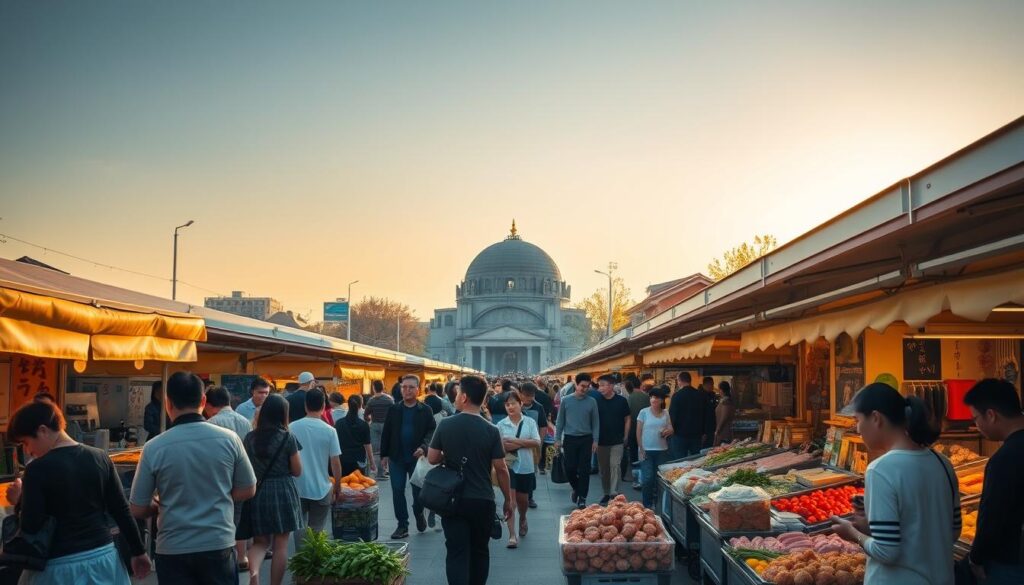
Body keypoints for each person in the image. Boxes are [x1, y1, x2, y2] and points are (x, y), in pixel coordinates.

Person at [130, 371, 256, 585]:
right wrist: (218, 494)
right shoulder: (229, 439)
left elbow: (137, 508)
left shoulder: (154, 447)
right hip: (218, 543)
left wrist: (158, 505)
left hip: (173, 547)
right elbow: (248, 488)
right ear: (203, 400)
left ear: (168, 404)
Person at [6, 401, 151, 585]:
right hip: (104, 558)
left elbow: (31, 526)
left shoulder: (37, 470)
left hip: (59, 567)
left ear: (43, 430)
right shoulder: (100, 458)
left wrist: (19, 501)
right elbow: (121, 510)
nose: (28, 451)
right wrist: (138, 551)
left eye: (26, 443)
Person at [830, 382, 960, 585]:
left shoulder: (880, 470)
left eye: (857, 420)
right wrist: (871, 528)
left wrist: (853, 533)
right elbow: (952, 532)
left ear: (875, 418)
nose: (857, 428)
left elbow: (886, 551)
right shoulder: (943, 463)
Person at [428, 375, 513, 585]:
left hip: (453, 499)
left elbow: (432, 458)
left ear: (464, 397)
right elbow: (501, 468)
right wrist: (508, 499)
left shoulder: (446, 425)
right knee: (480, 551)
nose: (456, 397)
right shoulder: (492, 430)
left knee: (456, 552)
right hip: (482, 499)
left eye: (457, 393)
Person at [962, 379, 1024, 584]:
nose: (976, 425)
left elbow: (992, 515)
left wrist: (976, 557)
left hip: (1011, 562)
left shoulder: (1005, 459)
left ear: (991, 415)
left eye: (975, 418)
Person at [238, 394, 302, 585]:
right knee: (281, 545)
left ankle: (254, 573)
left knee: (261, 542)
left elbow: (245, 468)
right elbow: (297, 471)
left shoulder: (250, 438)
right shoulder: (288, 438)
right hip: (283, 490)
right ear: (284, 414)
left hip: (258, 491)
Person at [203, 386, 254, 571]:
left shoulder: (211, 423)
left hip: (218, 479)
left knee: (221, 519)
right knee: (238, 518)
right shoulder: (245, 421)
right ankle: (242, 557)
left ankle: (226, 556)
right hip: (242, 478)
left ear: (208, 404)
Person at [380, 374, 436, 538]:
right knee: (397, 490)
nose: (407, 390)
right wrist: (383, 454)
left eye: (411, 387)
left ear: (418, 390)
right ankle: (402, 525)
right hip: (396, 457)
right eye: (404, 387)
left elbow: (431, 431)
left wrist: (424, 447)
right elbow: (387, 432)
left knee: (418, 493)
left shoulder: (425, 410)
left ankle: (419, 513)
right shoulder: (394, 409)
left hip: (416, 459)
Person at [288, 389, 343, 550]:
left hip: (296, 486)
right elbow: (335, 462)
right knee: (317, 527)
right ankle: (313, 560)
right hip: (322, 487)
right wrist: (338, 485)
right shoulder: (330, 431)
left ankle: (301, 558)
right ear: (324, 406)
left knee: (299, 525)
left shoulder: (291, 427)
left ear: (306, 406)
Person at [496, 391, 541, 548]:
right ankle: (512, 535)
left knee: (523, 501)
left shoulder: (529, 422)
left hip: (526, 467)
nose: (510, 407)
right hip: (508, 467)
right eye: (507, 404)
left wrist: (516, 441)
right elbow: (501, 446)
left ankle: (522, 517)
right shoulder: (500, 425)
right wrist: (523, 443)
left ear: (521, 404)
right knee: (511, 501)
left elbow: (536, 442)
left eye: (513, 403)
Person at [554, 373, 600, 509]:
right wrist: (557, 438)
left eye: (587, 387)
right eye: (582, 386)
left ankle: (582, 498)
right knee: (570, 468)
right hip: (570, 439)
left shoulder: (592, 402)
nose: (585, 389)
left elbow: (596, 423)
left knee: (585, 470)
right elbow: (560, 421)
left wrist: (595, 440)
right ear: (576, 385)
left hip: (586, 439)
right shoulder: (566, 401)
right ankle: (576, 488)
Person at [594, 374, 631, 504]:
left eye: (603, 385)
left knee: (615, 466)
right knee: (604, 469)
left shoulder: (621, 401)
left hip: (617, 440)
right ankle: (606, 492)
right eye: (599, 385)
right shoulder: (596, 401)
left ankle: (613, 493)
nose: (600, 388)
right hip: (601, 441)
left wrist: (626, 435)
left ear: (611, 386)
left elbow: (627, 419)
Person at [637, 386, 673, 508]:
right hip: (646, 449)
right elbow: (638, 431)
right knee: (648, 478)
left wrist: (667, 431)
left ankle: (658, 503)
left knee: (659, 479)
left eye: (656, 397)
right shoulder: (643, 412)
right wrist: (640, 448)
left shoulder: (666, 413)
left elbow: (671, 429)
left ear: (662, 400)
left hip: (662, 450)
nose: (653, 399)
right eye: (651, 397)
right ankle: (647, 504)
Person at [518, 383, 548, 503]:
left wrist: (539, 444)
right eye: (526, 395)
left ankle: (529, 497)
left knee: (531, 470)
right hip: (515, 444)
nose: (529, 398)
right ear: (520, 394)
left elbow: (543, 426)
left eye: (531, 396)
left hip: (532, 445)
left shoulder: (538, 407)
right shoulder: (515, 406)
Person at [336, 394, 376, 477]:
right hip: (359, 460)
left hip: (342, 459)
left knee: (344, 486)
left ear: (348, 404)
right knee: (359, 486)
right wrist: (372, 463)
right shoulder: (364, 425)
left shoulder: (339, 423)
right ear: (361, 405)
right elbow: (367, 445)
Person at [669, 372, 705, 458]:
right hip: (696, 435)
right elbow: (704, 414)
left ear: (680, 381)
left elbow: (672, 415)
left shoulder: (677, 396)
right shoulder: (700, 395)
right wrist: (704, 432)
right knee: (696, 460)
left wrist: (671, 429)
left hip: (680, 434)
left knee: (679, 461)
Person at [626, 376, 650, 489]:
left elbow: (626, 417)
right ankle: (644, 478)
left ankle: (636, 480)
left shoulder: (628, 398)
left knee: (634, 456)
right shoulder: (647, 397)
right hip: (645, 431)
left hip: (632, 431)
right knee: (644, 455)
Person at [713, 381, 736, 445]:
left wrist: (718, 430)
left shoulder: (726, 402)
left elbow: (724, 417)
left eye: (719, 389)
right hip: (722, 431)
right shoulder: (723, 400)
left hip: (724, 432)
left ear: (721, 390)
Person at [699, 376, 719, 449]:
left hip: (711, 427)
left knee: (710, 448)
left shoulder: (712, 395)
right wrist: (702, 432)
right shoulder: (699, 395)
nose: (713, 386)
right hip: (704, 430)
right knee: (704, 449)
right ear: (707, 384)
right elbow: (700, 414)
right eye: (712, 384)